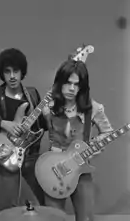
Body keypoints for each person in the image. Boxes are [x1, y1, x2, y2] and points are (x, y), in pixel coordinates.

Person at [41, 58, 113, 221]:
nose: (72, 88)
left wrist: (91, 147)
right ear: (60, 82)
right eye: (67, 83)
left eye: (77, 84)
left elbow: (107, 132)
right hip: (54, 170)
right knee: (53, 217)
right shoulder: (48, 108)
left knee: (86, 218)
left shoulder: (92, 107)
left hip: (81, 172)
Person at [0, 48, 47, 214]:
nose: (12, 76)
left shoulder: (31, 94)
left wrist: (47, 115)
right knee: (5, 206)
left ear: (22, 72)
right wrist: (3, 123)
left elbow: (41, 126)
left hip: (31, 155)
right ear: (2, 74)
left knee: (46, 200)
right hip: (8, 154)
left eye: (16, 71)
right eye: (7, 71)